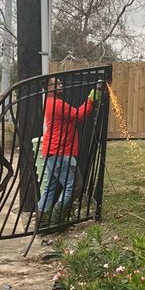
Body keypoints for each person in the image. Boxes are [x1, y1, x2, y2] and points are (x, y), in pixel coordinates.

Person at [37, 77, 103, 220]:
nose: (62, 85)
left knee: (51, 188)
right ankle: (57, 217)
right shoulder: (57, 104)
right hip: (60, 152)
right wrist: (93, 96)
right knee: (73, 186)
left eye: (61, 82)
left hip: (50, 152)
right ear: (49, 87)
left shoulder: (48, 103)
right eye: (58, 83)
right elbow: (78, 115)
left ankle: (41, 218)